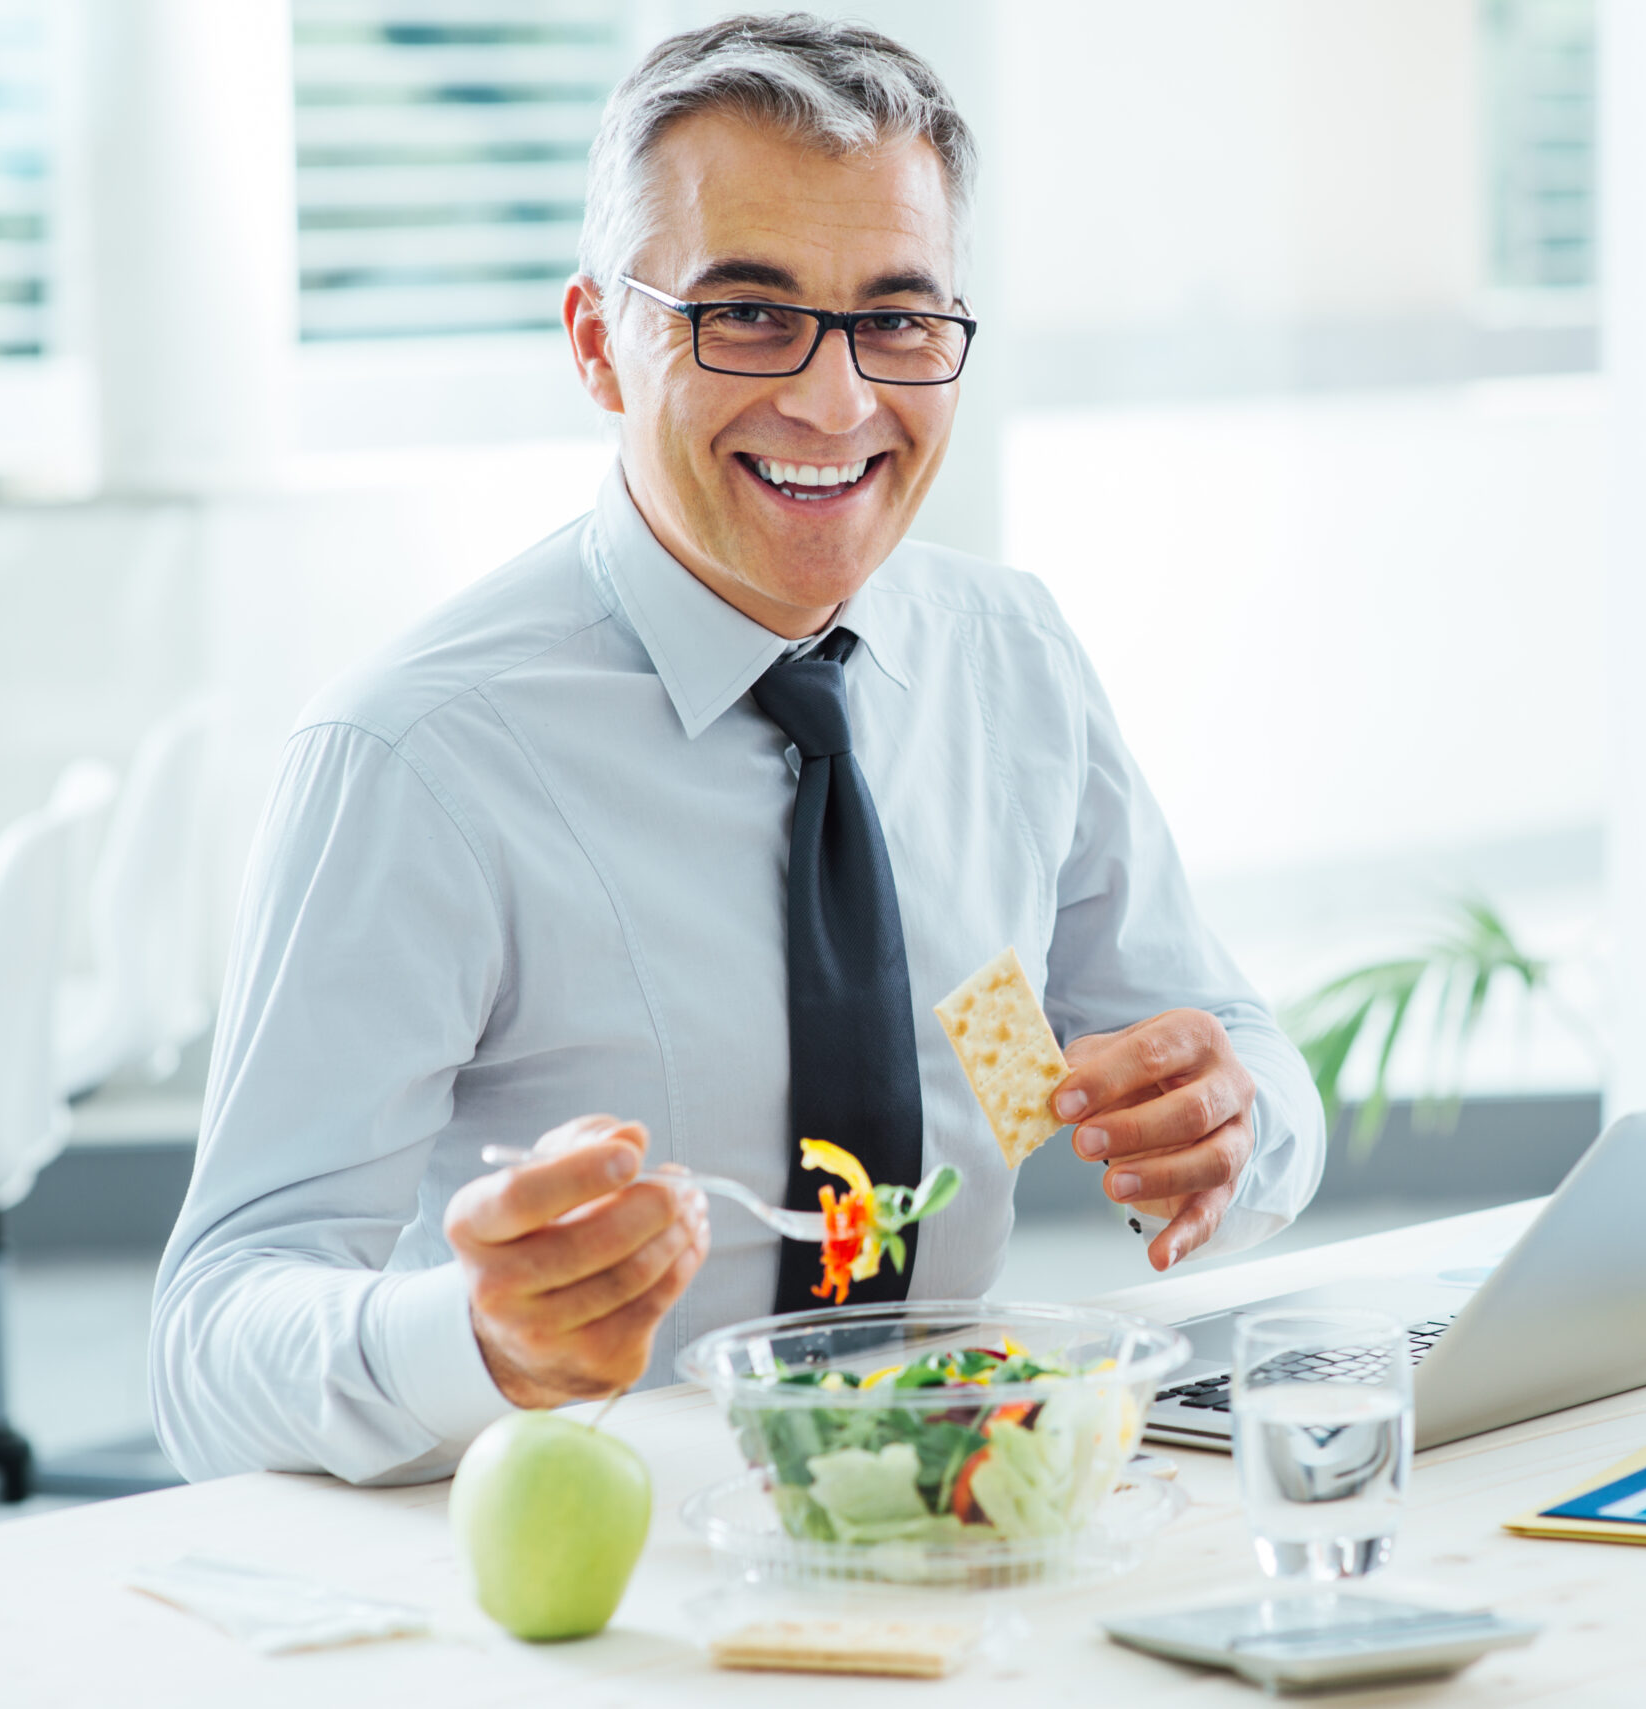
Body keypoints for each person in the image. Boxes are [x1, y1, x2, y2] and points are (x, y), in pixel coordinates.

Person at [150, 13, 1324, 1485]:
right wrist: (475, 1337)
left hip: (975, 1528)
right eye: (748, 315)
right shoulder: (415, 757)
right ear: (598, 343)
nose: (836, 401)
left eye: (898, 319)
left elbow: (1236, 1045)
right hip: (613, 1585)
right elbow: (208, 1343)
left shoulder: (1012, 663)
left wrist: (1239, 1123)